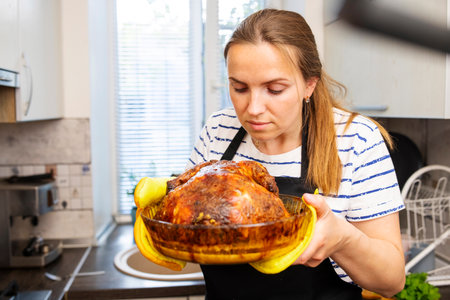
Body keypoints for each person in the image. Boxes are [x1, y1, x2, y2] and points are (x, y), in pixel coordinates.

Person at [187, 8, 405, 300]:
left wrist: (342, 239)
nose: (253, 108)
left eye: (274, 90)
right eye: (239, 88)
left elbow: (391, 281)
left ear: (309, 84)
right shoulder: (218, 130)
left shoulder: (356, 139)